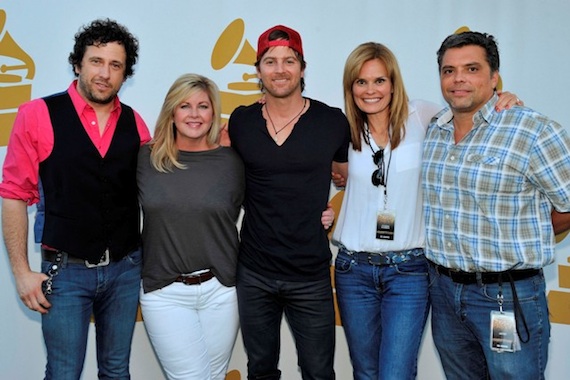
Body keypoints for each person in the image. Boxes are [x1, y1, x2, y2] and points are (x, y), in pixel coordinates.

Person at [331, 42, 521, 380]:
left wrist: (504, 98)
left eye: (379, 80)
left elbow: (472, 112)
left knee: (395, 374)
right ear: (351, 87)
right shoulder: (340, 130)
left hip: (409, 273)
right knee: (365, 371)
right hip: (353, 270)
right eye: (361, 82)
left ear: (393, 82)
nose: (371, 90)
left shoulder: (422, 115)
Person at [0, 19, 150, 379]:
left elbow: (164, 178)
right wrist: (21, 272)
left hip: (125, 270)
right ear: (78, 63)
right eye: (96, 61)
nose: (105, 73)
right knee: (64, 372)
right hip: (64, 273)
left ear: (125, 74)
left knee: (116, 370)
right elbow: (13, 194)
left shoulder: (136, 123)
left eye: (115, 65)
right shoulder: (36, 114)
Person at [422, 31, 570, 379]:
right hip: (443, 292)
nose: (458, 78)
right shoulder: (434, 130)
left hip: (507, 295)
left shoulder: (532, 131)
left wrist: (527, 234)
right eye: (448, 70)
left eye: (471, 69)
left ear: (494, 77)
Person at [228, 25, 350, 380]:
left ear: (301, 67)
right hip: (254, 273)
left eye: (288, 60)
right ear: (258, 71)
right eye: (270, 61)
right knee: (261, 370)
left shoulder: (331, 121)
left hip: (310, 274)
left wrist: (330, 211)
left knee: (318, 372)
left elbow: (346, 177)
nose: (280, 69)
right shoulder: (240, 121)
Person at [137, 73, 245, 380]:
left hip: (221, 291)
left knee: (213, 375)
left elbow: (269, 205)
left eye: (203, 106)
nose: (194, 115)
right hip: (165, 291)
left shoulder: (232, 161)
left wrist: (318, 212)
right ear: (172, 112)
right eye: (185, 106)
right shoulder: (146, 158)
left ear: (214, 113)